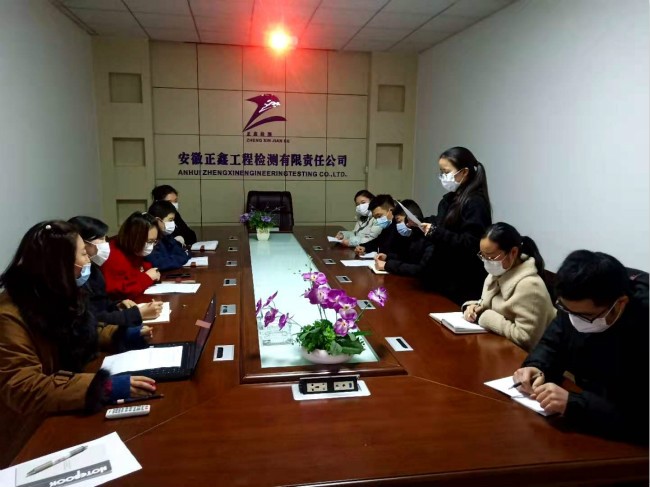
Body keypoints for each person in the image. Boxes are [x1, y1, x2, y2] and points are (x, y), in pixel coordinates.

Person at [0, 221, 157, 467]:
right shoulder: (10, 315)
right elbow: (23, 387)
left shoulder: (55, 291)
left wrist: (120, 335)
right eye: (83, 254)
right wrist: (102, 387)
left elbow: (82, 327)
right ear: (60, 263)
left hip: (63, 405)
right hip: (28, 435)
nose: (88, 261)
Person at [513, 250, 648, 443]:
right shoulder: (575, 300)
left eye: (585, 316)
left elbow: (641, 416)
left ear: (620, 303)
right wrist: (537, 366)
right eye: (567, 310)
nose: (575, 320)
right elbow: (553, 341)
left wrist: (575, 404)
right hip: (590, 415)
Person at [461, 222, 556, 351]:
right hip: (496, 348)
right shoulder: (496, 274)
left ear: (513, 252)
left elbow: (527, 340)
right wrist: (473, 308)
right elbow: (488, 304)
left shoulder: (530, 286)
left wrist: (485, 317)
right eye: (483, 256)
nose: (487, 262)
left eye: (491, 257)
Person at [420, 147, 492, 305]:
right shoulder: (451, 199)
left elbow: (472, 244)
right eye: (441, 172)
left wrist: (436, 232)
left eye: (446, 172)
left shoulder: (475, 202)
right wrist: (419, 222)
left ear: (464, 172)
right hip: (445, 278)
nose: (443, 177)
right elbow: (443, 223)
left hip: (463, 281)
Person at [68, 216, 163, 325]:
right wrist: (137, 315)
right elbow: (91, 318)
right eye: (83, 253)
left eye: (105, 238)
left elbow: (102, 302)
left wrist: (117, 305)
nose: (106, 244)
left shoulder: (92, 270)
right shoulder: (68, 282)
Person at [102, 212, 161, 300]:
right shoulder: (112, 254)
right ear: (133, 237)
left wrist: (152, 273)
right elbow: (118, 291)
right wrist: (147, 277)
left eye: (154, 241)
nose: (151, 246)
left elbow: (141, 269)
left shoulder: (134, 249)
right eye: (149, 241)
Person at [374, 199, 434, 276]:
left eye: (399, 221)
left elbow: (421, 270)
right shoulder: (413, 235)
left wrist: (387, 266)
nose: (398, 226)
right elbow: (406, 257)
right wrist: (387, 257)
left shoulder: (430, 237)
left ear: (412, 218)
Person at [146, 201, 191, 271]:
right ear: (158, 221)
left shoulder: (166, 236)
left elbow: (182, 252)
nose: (173, 223)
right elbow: (160, 264)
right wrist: (182, 257)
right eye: (170, 220)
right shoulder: (150, 239)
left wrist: (180, 257)